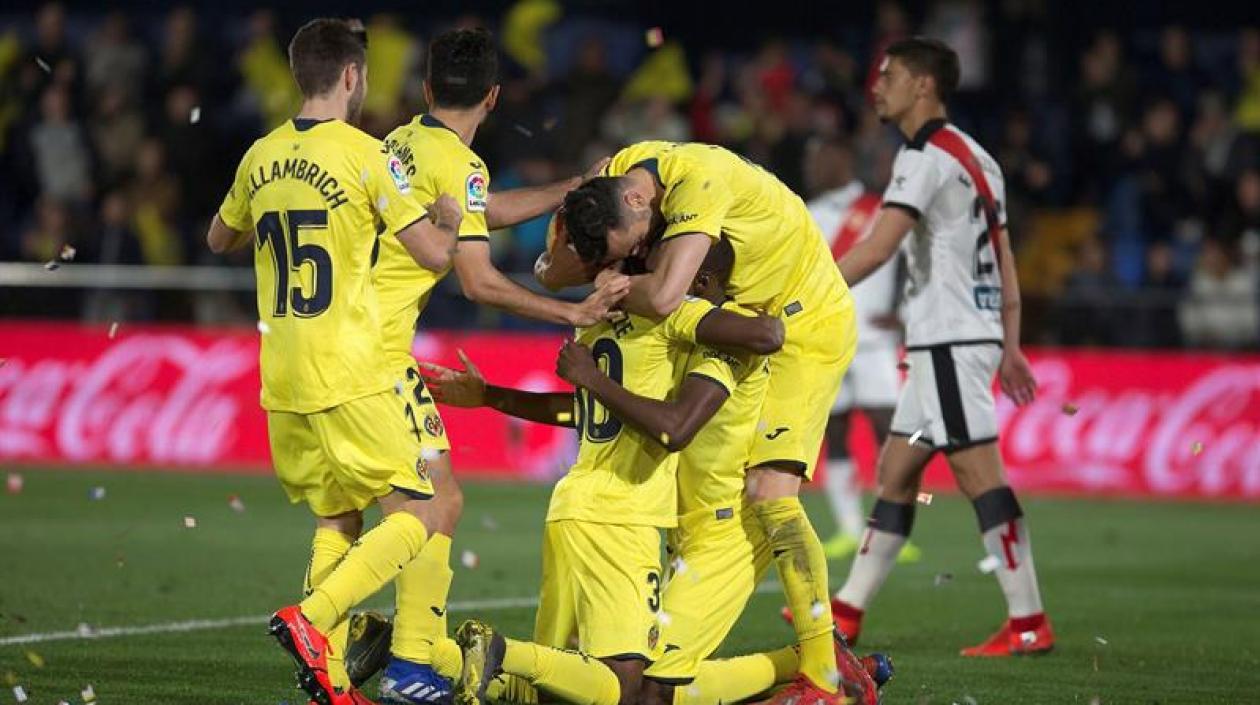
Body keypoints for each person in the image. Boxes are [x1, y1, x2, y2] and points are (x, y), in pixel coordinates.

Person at [540, 139, 858, 704]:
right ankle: (776, 663)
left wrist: (603, 283)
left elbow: (663, 296)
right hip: (733, 314)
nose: (636, 253)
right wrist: (585, 268)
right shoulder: (612, 183)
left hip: (800, 320)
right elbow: (550, 272)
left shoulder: (700, 179)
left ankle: (823, 671)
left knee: (769, 491)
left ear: (640, 201)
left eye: (636, 244)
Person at [206, 19, 461, 705]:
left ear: (299, 75)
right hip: (347, 368)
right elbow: (436, 256)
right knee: (421, 510)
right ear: (352, 76)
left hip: (281, 374)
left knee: (337, 518)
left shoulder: (261, 154)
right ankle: (314, 621)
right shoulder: (365, 154)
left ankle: (335, 680)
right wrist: (448, 215)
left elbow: (219, 235)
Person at [372, 27, 628, 704]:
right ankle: (399, 658)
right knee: (438, 501)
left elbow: (481, 210)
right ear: (493, 96)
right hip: (373, 355)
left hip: (344, 344)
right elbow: (479, 283)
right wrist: (571, 312)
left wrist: (571, 187)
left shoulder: (400, 144)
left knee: (366, 507)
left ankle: (378, 644)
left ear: (427, 90)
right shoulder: (462, 164)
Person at [424, 239, 790, 705]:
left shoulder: (597, 323)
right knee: (627, 689)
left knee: (553, 689)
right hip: (624, 513)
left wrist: (493, 396)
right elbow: (677, 423)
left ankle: (426, 654)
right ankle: (499, 650)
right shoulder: (675, 321)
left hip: (574, 506)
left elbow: (577, 409)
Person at [828, 36, 1054, 656]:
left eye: (889, 75)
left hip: (950, 340)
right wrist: (1009, 342)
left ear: (923, 85)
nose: (877, 86)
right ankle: (845, 612)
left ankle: (1028, 620)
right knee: (898, 472)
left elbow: (878, 247)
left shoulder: (922, 157)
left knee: (977, 471)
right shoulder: (980, 157)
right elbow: (1004, 256)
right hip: (956, 340)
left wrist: (806, 290)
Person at [801, 136, 918, 563]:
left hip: (872, 340)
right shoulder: (808, 213)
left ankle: (891, 530)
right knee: (835, 431)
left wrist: (905, 311)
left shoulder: (877, 209)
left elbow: (915, 259)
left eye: (821, 157)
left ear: (844, 158)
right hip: (826, 339)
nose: (813, 167)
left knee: (888, 428)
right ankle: (850, 529)